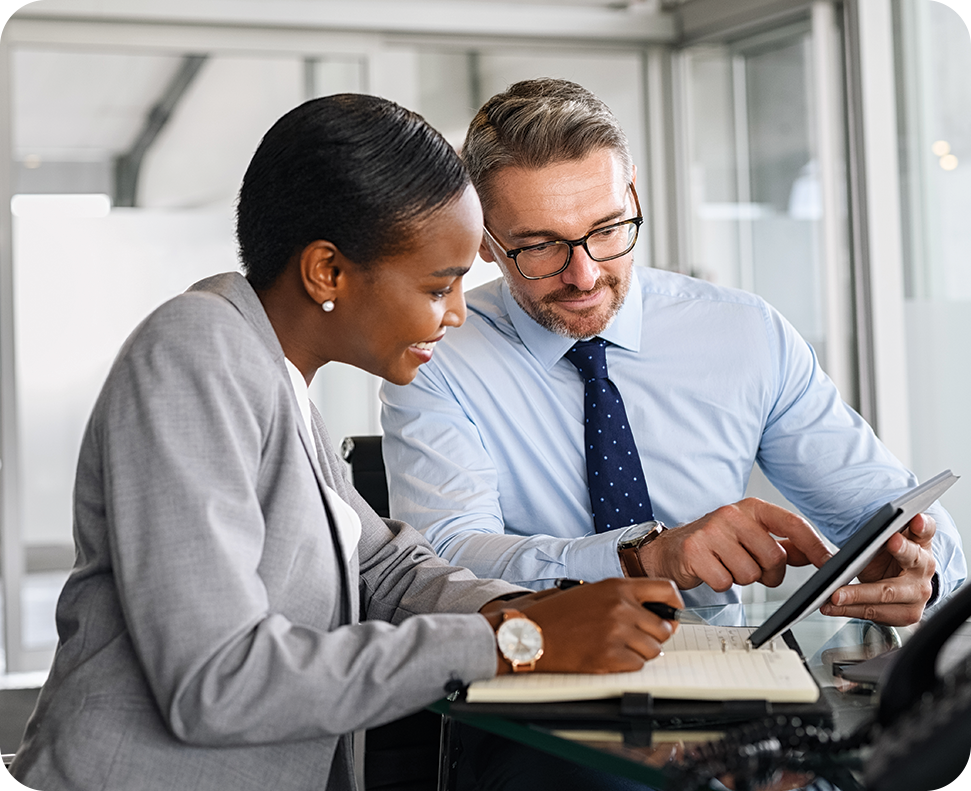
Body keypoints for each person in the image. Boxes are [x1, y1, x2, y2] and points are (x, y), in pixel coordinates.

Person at [1, 94, 685, 791]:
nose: (454, 313)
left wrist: (527, 608)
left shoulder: (277, 376)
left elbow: (383, 568)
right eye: (437, 284)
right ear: (327, 270)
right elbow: (216, 678)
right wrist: (517, 641)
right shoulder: (197, 351)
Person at [380, 77, 966, 622]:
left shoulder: (743, 333)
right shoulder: (437, 353)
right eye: (539, 247)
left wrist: (922, 571)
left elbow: (892, 508)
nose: (584, 276)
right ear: (484, 239)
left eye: (608, 230)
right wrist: (644, 559)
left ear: (633, 193)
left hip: (737, 686)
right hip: (536, 692)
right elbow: (445, 564)